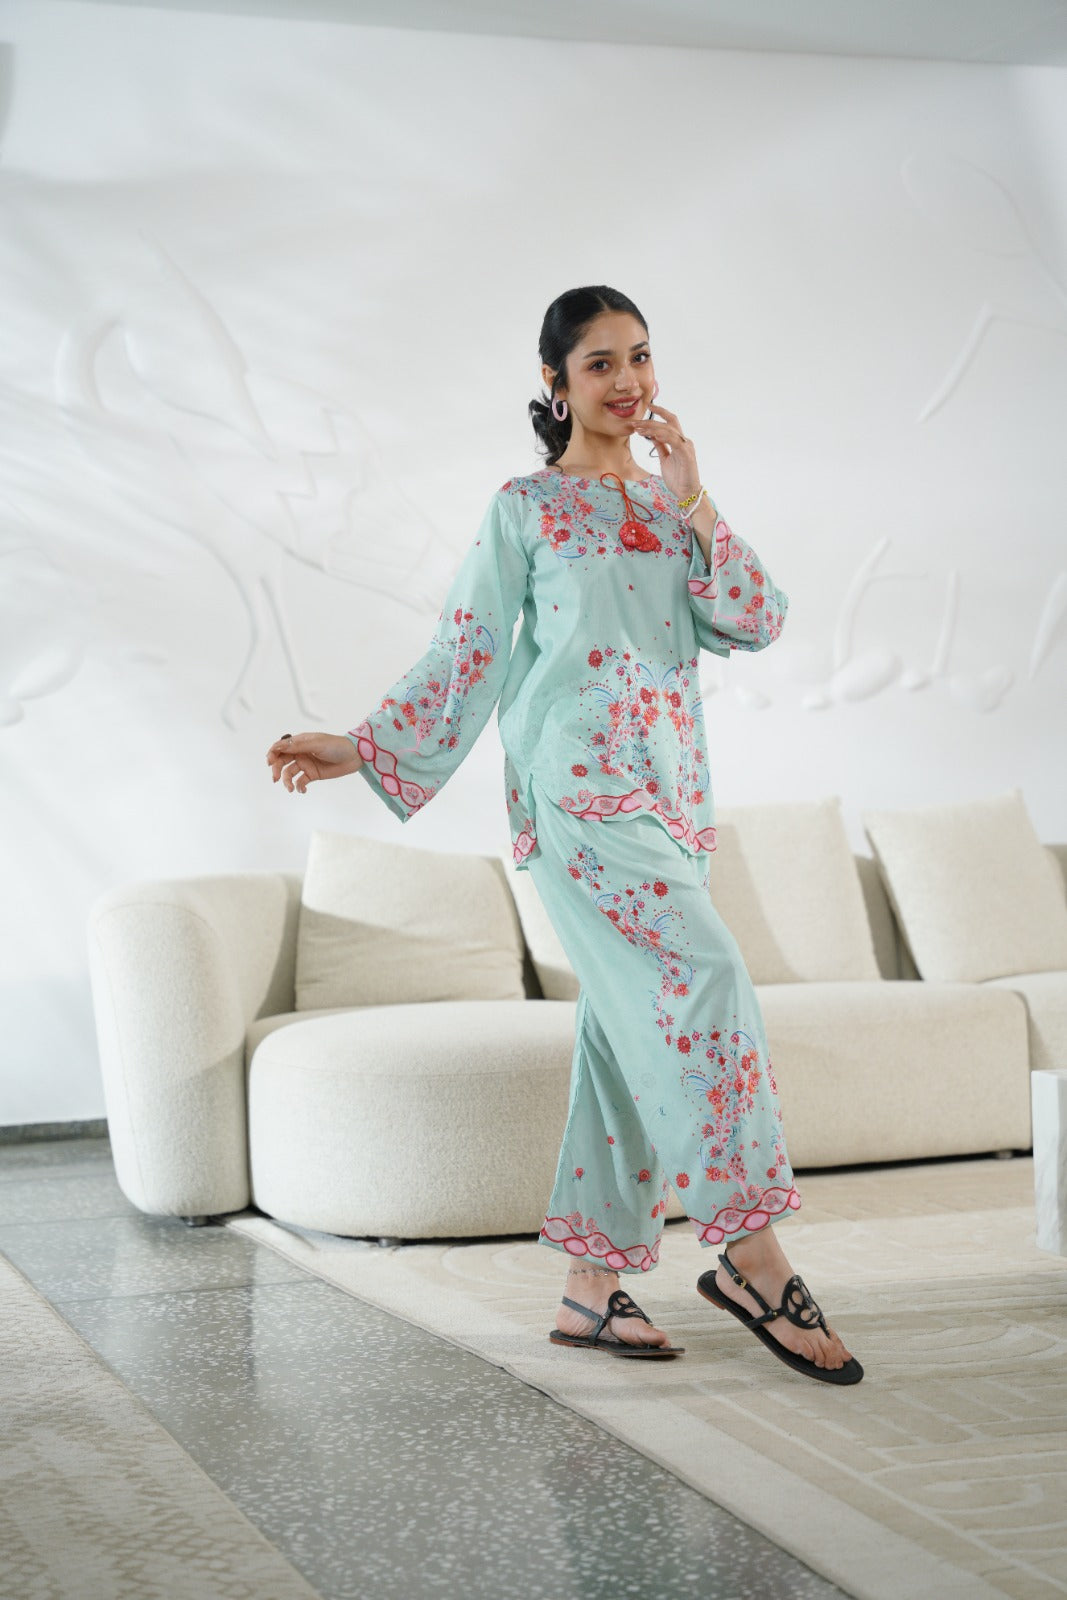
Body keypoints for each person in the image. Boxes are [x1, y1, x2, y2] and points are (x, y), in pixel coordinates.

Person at [266, 285, 862, 1385]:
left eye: (639, 357)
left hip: (672, 805)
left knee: (623, 1029)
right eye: (599, 363)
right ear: (555, 382)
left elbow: (756, 618)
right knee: (704, 977)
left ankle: (591, 1288)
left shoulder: (668, 504)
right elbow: (469, 645)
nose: (627, 381)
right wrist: (363, 744)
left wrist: (694, 500)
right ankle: (750, 1253)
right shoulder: (525, 508)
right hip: (577, 799)